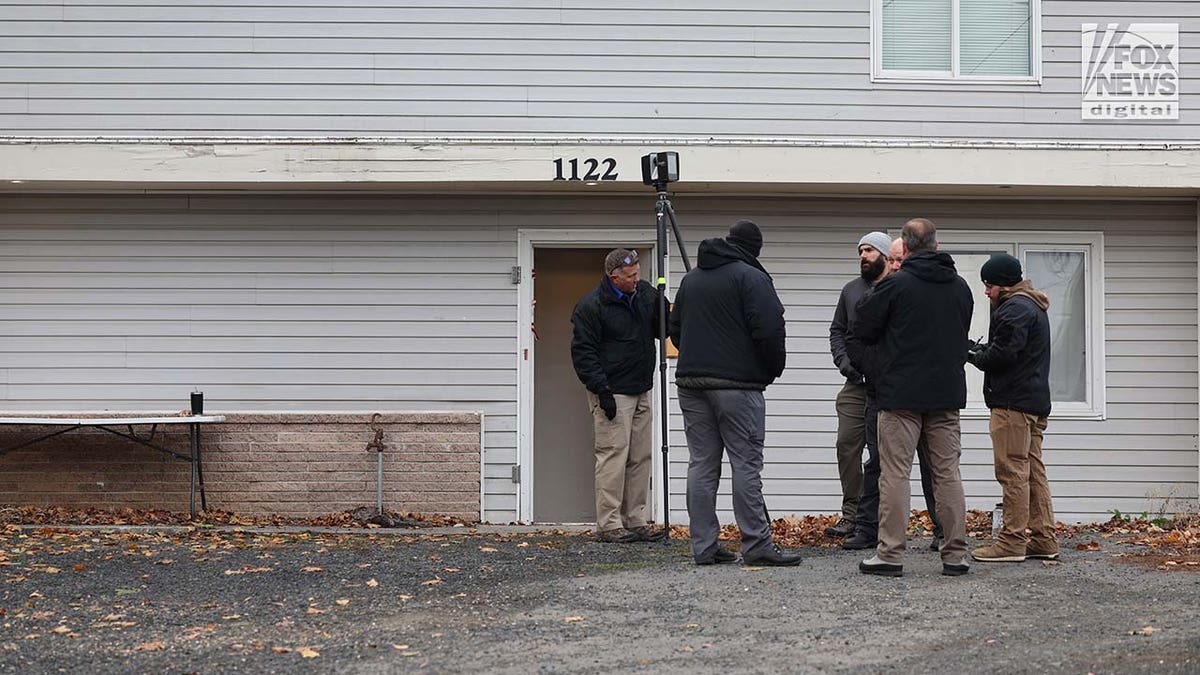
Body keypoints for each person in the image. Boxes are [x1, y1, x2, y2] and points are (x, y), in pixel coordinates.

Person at [668, 220, 801, 566]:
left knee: (701, 464)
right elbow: (770, 330)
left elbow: (675, 330)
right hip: (737, 386)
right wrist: (771, 369)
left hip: (691, 383)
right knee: (745, 464)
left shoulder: (691, 279)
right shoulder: (751, 277)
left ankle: (704, 546)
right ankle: (756, 544)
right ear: (754, 249)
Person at [851, 218, 973, 577]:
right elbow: (961, 329)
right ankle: (955, 553)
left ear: (902, 248)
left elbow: (863, 329)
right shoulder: (961, 287)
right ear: (936, 245)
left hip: (899, 395)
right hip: (946, 395)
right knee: (947, 474)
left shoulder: (895, 286)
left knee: (894, 475)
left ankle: (890, 554)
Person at [843, 237, 944, 551]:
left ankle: (943, 530)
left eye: (900, 259)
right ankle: (868, 527)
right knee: (878, 464)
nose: (896, 265)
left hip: (928, 392)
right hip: (880, 391)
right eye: (894, 261)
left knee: (933, 466)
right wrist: (865, 369)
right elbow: (855, 336)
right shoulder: (868, 293)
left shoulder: (927, 291)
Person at [571, 248, 667, 544]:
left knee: (640, 457)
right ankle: (609, 524)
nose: (637, 279)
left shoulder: (644, 296)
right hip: (613, 392)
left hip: (641, 388)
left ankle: (635, 519)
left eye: (638, 273)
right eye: (631, 276)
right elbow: (583, 353)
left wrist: (663, 305)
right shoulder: (592, 305)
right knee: (613, 456)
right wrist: (602, 391)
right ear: (614, 277)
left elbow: (663, 331)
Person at [967, 253, 1058, 563]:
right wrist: (978, 348)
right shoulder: (1032, 305)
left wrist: (971, 355)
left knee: (1012, 472)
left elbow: (1002, 356)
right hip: (1033, 402)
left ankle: (1012, 541)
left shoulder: (1014, 310)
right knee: (1033, 471)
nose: (986, 292)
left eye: (989, 285)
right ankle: (1044, 539)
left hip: (1012, 405)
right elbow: (1008, 349)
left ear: (1004, 285)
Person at [826, 231, 893, 538]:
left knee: (882, 453)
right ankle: (851, 514)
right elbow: (837, 331)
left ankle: (882, 518)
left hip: (890, 385)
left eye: (869, 250)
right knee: (846, 445)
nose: (863, 256)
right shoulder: (851, 291)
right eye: (860, 251)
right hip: (856, 385)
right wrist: (844, 363)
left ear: (884, 255)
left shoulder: (897, 288)